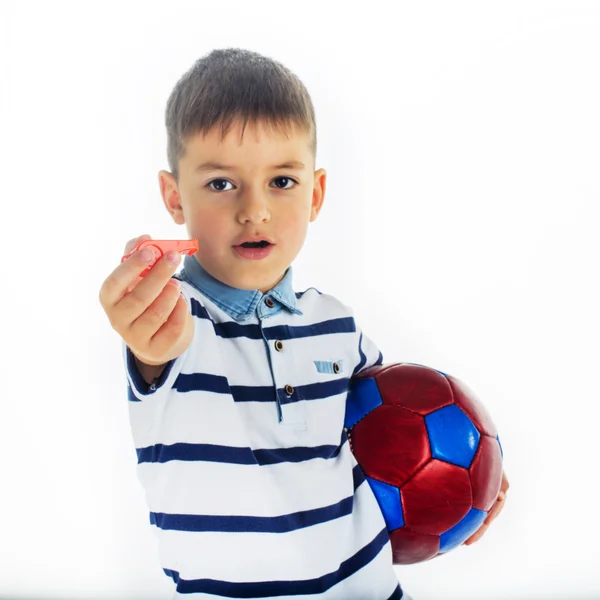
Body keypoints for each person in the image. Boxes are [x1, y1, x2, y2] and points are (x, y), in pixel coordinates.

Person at [99, 47, 507, 600]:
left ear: (315, 194)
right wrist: (147, 330)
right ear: (175, 198)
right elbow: (155, 351)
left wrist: (471, 475)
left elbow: (401, 431)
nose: (255, 210)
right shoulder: (177, 323)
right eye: (221, 184)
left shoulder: (338, 327)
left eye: (282, 182)